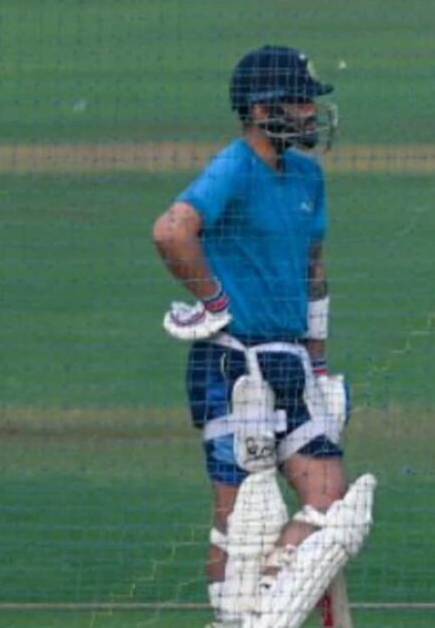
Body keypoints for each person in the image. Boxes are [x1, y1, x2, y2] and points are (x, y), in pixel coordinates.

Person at [152, 45, 374, 628]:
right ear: (262, 108)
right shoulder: (234, 166)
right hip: (233, 366)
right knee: (240, 521)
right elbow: (173, 232)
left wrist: (321, 372)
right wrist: (216, 303)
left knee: (335, 504)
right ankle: (237, 618)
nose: (311, 113)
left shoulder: (307, 175)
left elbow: (313, 271)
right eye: (301, 101)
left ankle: (265, 611)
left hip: (293, 363)